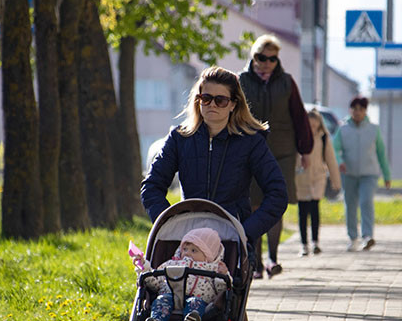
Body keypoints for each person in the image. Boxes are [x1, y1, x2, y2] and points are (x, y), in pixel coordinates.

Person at [141, 66, 288, 249]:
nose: (212, 105)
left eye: (221, 100)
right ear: (198, 100)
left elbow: (278, 194)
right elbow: (151, 186)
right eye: (206, 98)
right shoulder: (179, 139)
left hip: (231, 242)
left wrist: (245, 232)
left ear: (234, 104)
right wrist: (171, 225)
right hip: (187, 239)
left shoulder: (251, 142)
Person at [239, 34, 313, 278]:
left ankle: (273, 259)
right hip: (250, 151)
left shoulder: (287, 83)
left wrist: (306, 150)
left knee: (276, 204)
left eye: (272, 58)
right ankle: (256, 263)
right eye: (262, 57)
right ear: (253, 56)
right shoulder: (240, 81)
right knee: (254, 206)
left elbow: (299, 117)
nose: (267, 62)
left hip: (283, 151)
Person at [140, 228, 231, 321]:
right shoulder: (171, 263)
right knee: (161, 300)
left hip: (198, 299)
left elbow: (222, 290)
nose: (187, 253)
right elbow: (155, 283)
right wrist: (144, 267)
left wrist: (223, 275)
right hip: (170, 296)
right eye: (185, 249)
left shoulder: (213, 268)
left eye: (194, 250)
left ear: (208, 256)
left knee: (195, 304)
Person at [333, 96, 391, 252]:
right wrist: (339, 162)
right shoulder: (343, 129)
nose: (357, 112)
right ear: (350, 110)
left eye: (361, 109)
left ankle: (367, 236)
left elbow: (381, 153)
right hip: (349, 173)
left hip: (369, 174)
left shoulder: (373, 129)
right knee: (350, 205)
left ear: (365, 111)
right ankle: (353, 238)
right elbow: (334, 149)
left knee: (366, 202)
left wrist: (387, 175)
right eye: (354, 109)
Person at [295, 109, 341, 256]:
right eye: (310, 125)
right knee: (302, 211)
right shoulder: (298, 137)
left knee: (315, 209)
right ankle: (304, 244)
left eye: (315, 126)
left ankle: (315, 242)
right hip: (301, 179)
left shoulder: (323, 138)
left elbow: (331, 160)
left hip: (318, 178)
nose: (312, 128)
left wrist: (336, 181)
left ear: (319, 125)